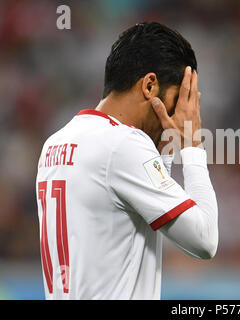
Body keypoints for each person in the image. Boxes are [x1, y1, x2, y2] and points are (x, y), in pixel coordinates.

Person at [35, 22, 218, 299]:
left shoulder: (56, 142)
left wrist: (166, 144)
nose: (180, 113)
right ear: (149, 85)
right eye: (178, 98)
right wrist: (192, 145)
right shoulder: (121, 144)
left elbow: (139, 214)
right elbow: (205, 241)